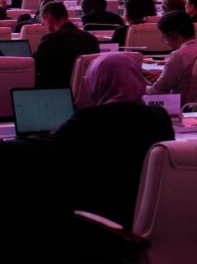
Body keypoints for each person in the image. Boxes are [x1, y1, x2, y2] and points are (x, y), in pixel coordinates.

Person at [52, 53, 174, 228]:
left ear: (98, 82)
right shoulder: (159, 116)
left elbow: (51, 152)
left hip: (101, 218)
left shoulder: (87, 120)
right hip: (150, 217)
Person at [33, 1, 100, 89]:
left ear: (47, 17)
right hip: (87, 90)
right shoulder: (91, 39)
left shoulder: (52, 39)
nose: (43, 26)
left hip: (57, 90)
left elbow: (34, 66)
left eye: (43, 23)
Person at [147, 10, 197, 101]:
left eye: (164, 37)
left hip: (179, 105)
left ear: (173, 34)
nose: (166, 43)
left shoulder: (178, 56)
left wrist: (139, 84)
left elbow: (157, 91)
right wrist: (161, 75)